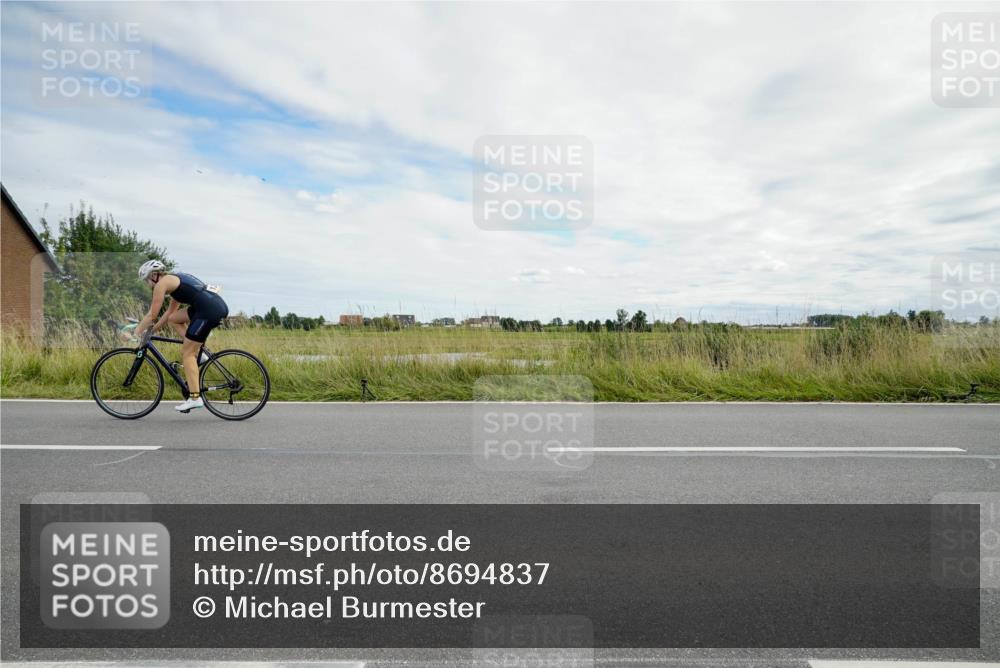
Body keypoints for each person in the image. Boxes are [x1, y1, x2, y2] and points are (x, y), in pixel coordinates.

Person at [135, 260, 229, 412]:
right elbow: (169, 314)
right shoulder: (174, 281)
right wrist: (152, 331)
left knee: (187, 354)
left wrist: (135, 332)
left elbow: (152, 315)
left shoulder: (162, 284)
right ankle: (201, 354)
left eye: (146, 280)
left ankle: (195, 398)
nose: (147, 284)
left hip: (207, 311)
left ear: (153, 276)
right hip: (211, 306)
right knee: (174, 320)